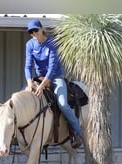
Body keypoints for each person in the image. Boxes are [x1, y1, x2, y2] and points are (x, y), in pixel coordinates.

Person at [24, 19, 82, 148]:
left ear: (42, 29)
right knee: (24, 98)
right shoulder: (30, 45)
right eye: (31, 32)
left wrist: (42, 86)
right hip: (38, 78)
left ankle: (77, 132)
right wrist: (29, 84)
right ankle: (22, 134)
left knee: (62, 103)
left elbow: (52, 68)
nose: (34, 34)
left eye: (35, 30)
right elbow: (27, 66)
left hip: (55, 77)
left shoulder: (52, 43)